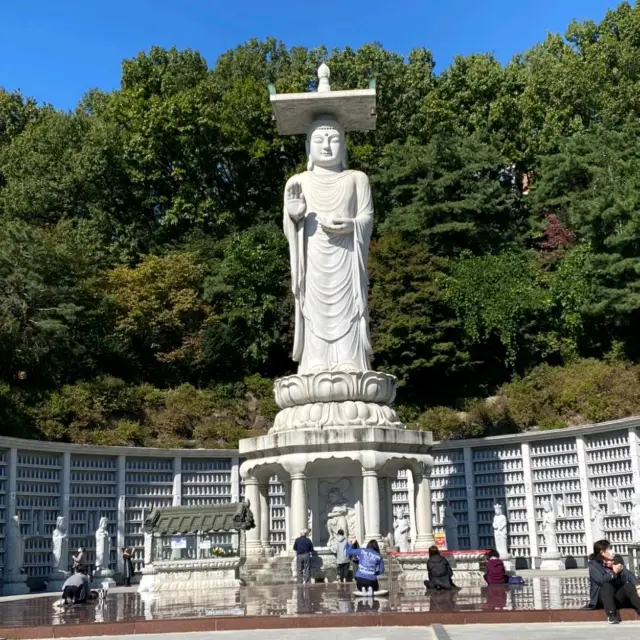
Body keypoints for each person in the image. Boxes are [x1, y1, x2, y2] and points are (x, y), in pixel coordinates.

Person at [587, 539, 640, 624]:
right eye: (609, 549)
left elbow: (629, 575)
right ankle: (611, 615)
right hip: (603, 599)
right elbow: (601, 581)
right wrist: (614, 572)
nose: (612, 551)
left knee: (629, 586)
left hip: (617, 597)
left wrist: (638, 586)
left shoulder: (616, 560)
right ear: (602, 552)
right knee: (606, 586)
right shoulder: (593, 565)